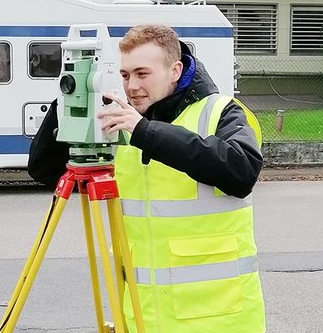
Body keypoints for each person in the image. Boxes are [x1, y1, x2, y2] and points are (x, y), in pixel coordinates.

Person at [27, 24, 266, 332]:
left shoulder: (220, 111)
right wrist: (73, 97)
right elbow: (44, 169)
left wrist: (144, 131)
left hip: (217, 318)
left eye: (142, 74)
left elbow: (241, 171)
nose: (132, 86)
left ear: (175, 70)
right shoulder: (126, 122)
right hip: (144, 318)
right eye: (125, 75)